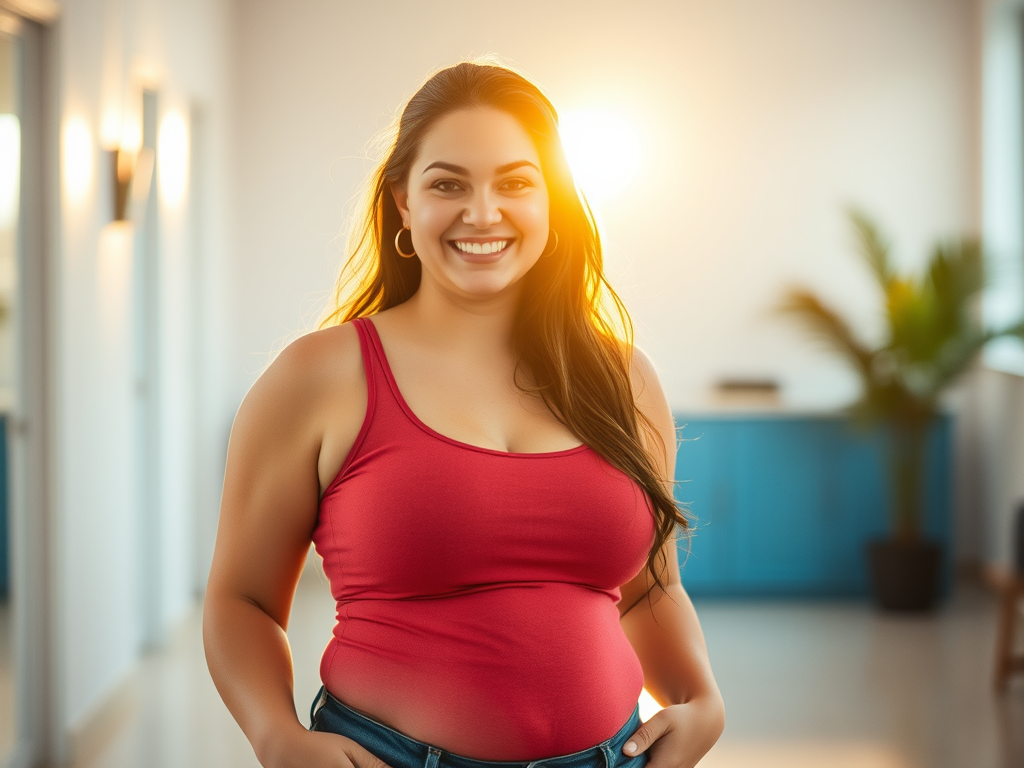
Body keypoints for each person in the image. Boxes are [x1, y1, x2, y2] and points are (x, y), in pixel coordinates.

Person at [203, 60, 725, 768]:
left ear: (554, 203)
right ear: (403, 203)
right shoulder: (317, 376)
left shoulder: (625, 380)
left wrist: (701, 701)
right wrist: (276, 736)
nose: (483, 213)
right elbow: (242, 600)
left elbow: (649, 590)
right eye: (448, 184)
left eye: (515, 183)